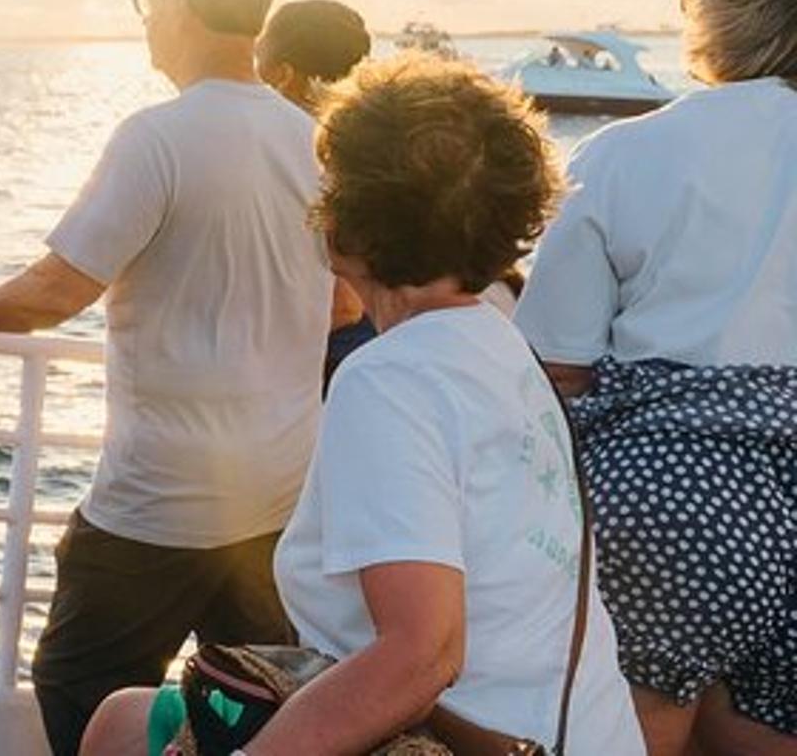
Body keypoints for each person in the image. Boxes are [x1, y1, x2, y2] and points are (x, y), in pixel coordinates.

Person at [79, 55, 644, 756]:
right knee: (126, 721)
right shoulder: (501, 346)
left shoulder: (391, 380)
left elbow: (424, 652)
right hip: (576, 732)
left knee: (119, 728)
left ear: (348, 223)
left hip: (466, 736)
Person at [0, 0, 330, 756]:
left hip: (160, 498)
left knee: (77, 682)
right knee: (250, 707)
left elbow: (57, 287)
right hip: (280, 494)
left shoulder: (159, 136)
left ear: (176, 2)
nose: (144, 18)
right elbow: (350, 301)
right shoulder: (311, 138)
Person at [517, 0, 797, 756]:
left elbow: (552, 366)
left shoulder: (629, 152)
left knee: (631, 739)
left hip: (671, 495)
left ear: (714, 10)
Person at [255, 0, 376, 389]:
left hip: (332, 367)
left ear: (283, 74)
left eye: (258, 63)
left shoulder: (321, 162)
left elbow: (344, 304)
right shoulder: (375, 152)